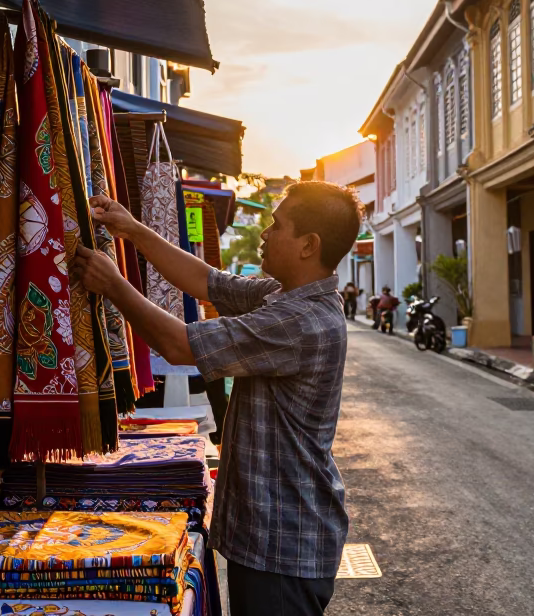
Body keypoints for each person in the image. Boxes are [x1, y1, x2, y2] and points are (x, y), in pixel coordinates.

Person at [73, 181, 361, 616]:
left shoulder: (303, 320)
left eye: (277, 225)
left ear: (308, 245)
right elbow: (206, 282)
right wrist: (133, 231)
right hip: (271, 536)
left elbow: (180, 345)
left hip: (283, 541)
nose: (265, 233)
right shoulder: (280, 296)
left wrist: (113, 285)